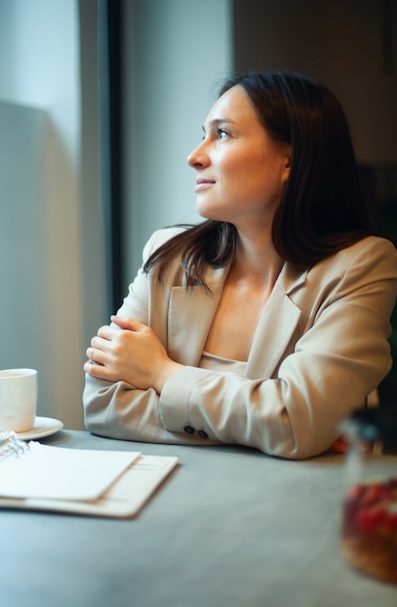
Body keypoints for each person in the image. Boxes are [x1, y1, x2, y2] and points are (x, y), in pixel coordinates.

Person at [83, 71, 397, 459]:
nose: (195, 156)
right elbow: (103, 404)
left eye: (223, 134)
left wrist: (161, 373)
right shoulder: (167, 256)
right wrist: (273, 429)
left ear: (289, 161)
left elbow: (298, 421)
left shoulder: (361, 265)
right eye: (204, 134)